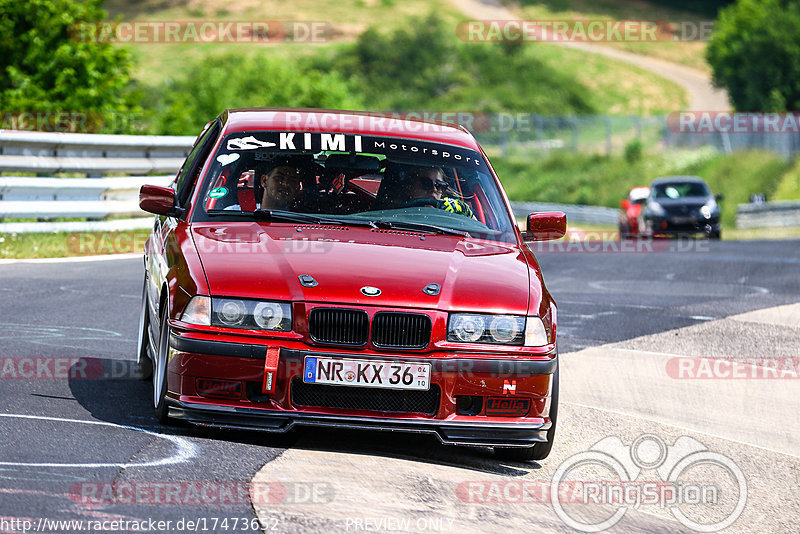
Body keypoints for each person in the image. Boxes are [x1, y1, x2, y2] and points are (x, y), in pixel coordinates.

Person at [402, 165, 476, 219]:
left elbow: (480, 232)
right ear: (410, 187)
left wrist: (465, 209)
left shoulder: (452, 219)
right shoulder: (393, 214)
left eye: (440, 186)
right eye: (426, 183)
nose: (434, 190)